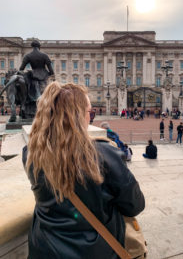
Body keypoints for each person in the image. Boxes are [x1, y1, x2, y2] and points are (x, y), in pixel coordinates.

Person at [22, 82, 145, 259]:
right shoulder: (105, 156)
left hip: (44, 248)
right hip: (94, 251)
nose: (91, 117)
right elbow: (135, 205)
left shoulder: (30, 154)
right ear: (77, 116)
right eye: (90, 112)